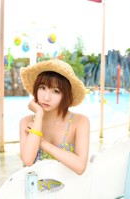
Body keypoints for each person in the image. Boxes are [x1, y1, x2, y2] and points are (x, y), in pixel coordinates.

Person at [19, 59, 90, 190]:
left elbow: (80, 167)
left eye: (56, 91)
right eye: (42, 88)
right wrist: (39, 114)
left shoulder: (80, 122)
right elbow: (28, 161)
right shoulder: (26, 122)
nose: (46, 97)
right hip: (33, 193)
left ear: (66, 95)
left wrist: (43, 143)